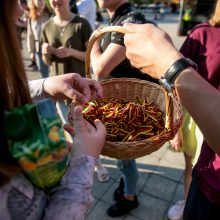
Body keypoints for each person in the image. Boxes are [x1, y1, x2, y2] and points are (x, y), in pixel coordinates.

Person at [0, 1, 107, 219]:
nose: (22, 10)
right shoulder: (48, 25)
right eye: (13, 3)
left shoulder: (81, 23)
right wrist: (84, 159)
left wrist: (46, 86)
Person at [123, 22, 220, 220]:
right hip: (209, 176)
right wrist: (174, 127)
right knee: (190, 167)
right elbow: (171, 90)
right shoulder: (203, 32)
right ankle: (185, 201)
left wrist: (171, 65)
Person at [91, 0, 158, 217]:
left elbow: (100, 68)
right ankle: (125, 183)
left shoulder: (132, 19)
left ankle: (130, 197)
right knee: (123, 159)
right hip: (119, 104)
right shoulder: (116, 19)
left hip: (133, 107)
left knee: (126, 158)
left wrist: (91, 45)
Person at [41, 0, 93, 123]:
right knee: (68, 127)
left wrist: (71, 52)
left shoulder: (82, 23)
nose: (56, 1)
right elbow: (47, 62)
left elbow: (91, 57)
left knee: (84, 127)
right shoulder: (47, 26)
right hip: (58, 90)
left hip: (79, 89)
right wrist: (45, 53)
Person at [27, 0, 50, 78]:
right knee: (43, 71)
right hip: (38, 48)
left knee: (51, 71)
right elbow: (30, 36)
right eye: (39, 0)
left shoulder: (50, 15)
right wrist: (31, 51)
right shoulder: (31, 18)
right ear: (34, 2)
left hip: (49, 47)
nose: (42, 2)